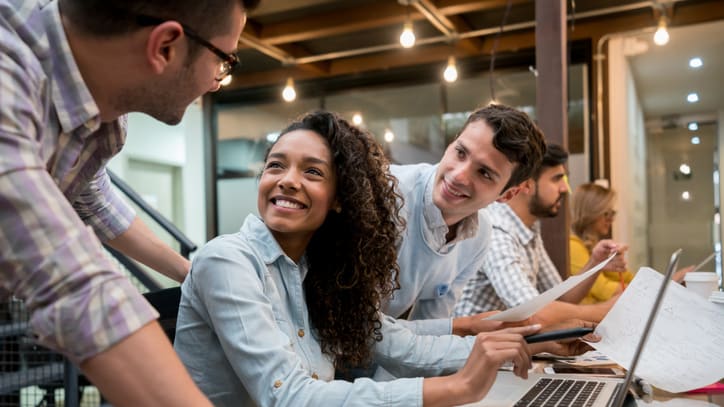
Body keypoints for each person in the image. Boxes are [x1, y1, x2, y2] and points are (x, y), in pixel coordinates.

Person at [174, 111, 594, 406]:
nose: (287, 181)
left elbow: (394, 340)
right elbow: (289, 396)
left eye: (312, 172)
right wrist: (455, 389)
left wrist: (516, 347)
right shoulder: (227, 261)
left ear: (341, 200)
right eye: (275, 166)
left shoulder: (316, 272)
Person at [0, 0, 259, 405]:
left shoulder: (98, 117)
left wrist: (195, 273)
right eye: (224, 60)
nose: (215, 81)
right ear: (165, 47)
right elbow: (73, 287)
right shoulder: (7, 76)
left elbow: (95, 200)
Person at [453, 145, 627, 319]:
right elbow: (532, 311)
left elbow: (562, 298)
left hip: (504, 340)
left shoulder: (529, 228)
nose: (565, 188)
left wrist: (596, 262)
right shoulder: (497, 231)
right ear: (527, 185)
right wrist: (605, 310)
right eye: (556, 179)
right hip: (473, 344)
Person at [570, 183, 694, 303]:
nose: (611, 219)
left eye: (613, 213)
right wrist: (666, 283)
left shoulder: (595, 247)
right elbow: (604, 290)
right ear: (590, 214)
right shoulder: (574, 247)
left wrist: (665, 283)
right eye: (606, 213)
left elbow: (630, 279)